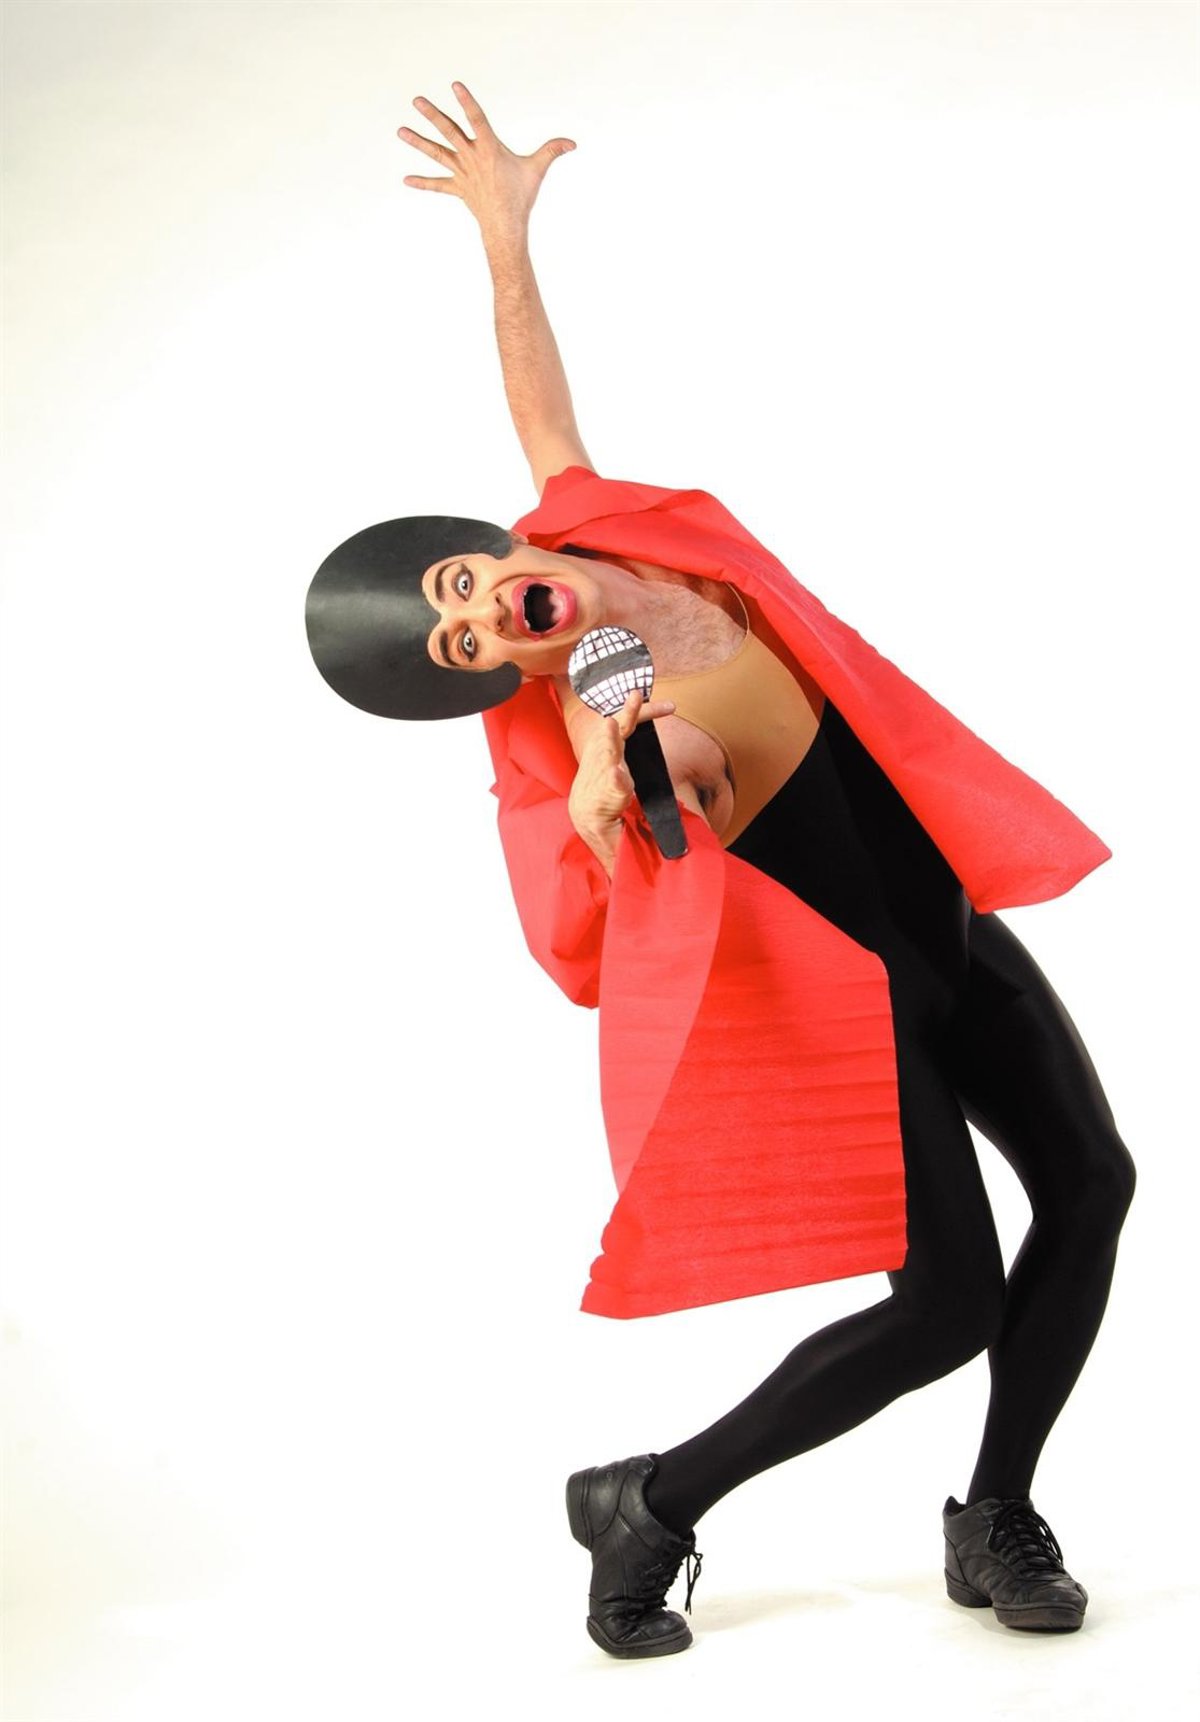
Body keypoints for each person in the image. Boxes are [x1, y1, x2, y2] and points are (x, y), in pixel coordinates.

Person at [306, 83, 1135, 1660]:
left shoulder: (596, 537)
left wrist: (503, 234)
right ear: (486, 674)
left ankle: (995, 1511)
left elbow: (539, 404)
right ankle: (651, 1498)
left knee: (1094, 1182)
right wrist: (632, 784)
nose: (482, 615)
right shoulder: (595, 681)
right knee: (945, 1304)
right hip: (853, 999)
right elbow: (640, 747)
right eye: (464, 644)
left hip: (944, 921)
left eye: (462, 585)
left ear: (485, 547)